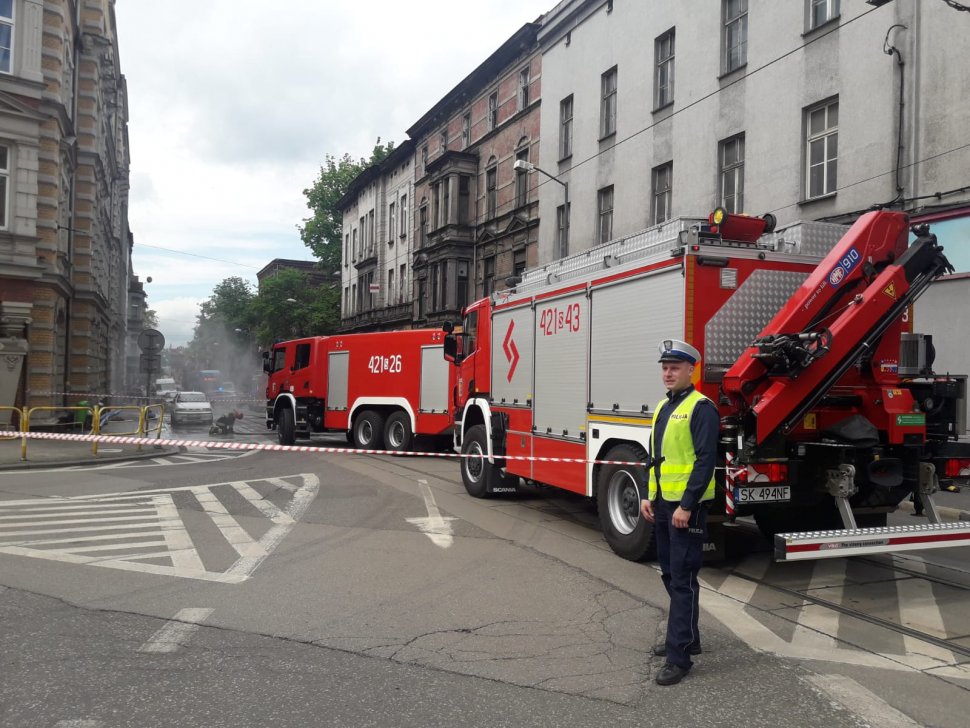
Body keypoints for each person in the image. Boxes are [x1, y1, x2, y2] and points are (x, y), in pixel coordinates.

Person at [640, 339, 719, 686]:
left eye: (675, 367)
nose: (668, 373)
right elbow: (656, 458)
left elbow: (705, 462)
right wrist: (648, 496)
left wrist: (687, 505)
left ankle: (679, 657)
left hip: (687, 508)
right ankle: (689, 637)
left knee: (683, 579)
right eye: (665, 367)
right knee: (671, 575)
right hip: (662, 506)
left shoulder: (702, 407)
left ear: (691, 370)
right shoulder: (663, 407)